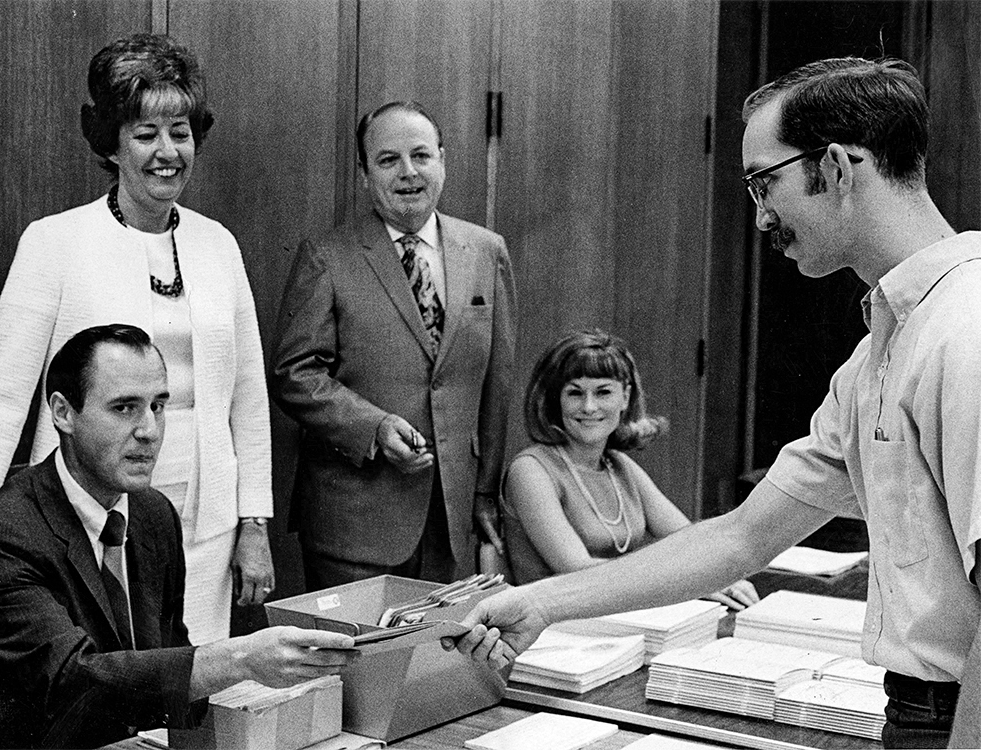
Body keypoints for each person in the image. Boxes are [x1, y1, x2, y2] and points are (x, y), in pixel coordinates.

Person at [451, 57, 980, 750]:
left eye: (765, 182)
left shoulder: (963, 327)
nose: (761, 217)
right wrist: (542, 602)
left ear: (841, 170)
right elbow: (742, 536)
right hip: (917, 711)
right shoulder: (880, 350)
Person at [0, 34, 273, 644]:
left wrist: (254, 520)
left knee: (195, 682)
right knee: (103, 690)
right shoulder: (53, 243)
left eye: (181, 131)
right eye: (145, 134)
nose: (167, 151)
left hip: (206, 519)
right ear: (111, 143)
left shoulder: (218, 244)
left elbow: (248, 393)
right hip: (86, 518)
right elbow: (2, 400)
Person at [0, 325, 357, 750]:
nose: (150, 430)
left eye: (158, 406)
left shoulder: (152, 514)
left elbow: (169, 669)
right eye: (124, 408)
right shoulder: (3, 535)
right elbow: (73, 681)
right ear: (63, 413)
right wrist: (241, 659)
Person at [271, 101, 517, 590]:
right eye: (388, 160)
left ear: (442, 161)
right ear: (365, 174)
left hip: (449, 520)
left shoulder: (487, 252)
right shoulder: (327, 256)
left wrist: (486, 491)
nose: (408, 172)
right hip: (354, 525)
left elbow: (498, 381)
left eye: (421, 156)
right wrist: (374, 426)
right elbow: (293, 372)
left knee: (435, 663)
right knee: (358, 664)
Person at [503, 329, 758, 610]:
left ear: (625, 397)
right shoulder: (530, 470)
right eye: (574, 393)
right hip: (554, 626)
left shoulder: (619, 466)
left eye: (603, 392)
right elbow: (577, 570)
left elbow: (689, 540)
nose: (589, 407)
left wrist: (721, 575)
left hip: (619, 615)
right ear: (555, 400)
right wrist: (687, 582)